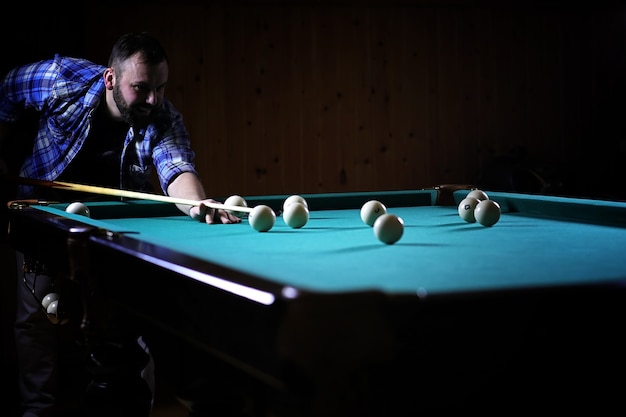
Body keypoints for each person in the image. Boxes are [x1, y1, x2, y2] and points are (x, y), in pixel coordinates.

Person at [0, 32, 242, 417]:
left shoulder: (161, 116)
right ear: (111, 78)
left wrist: (198, 205)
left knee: (133, 320)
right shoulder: (61, 79)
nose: (153, 100)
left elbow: (176, 166)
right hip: (43, 214)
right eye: (141, 88)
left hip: (117, 225)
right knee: (35, 321)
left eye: (160, 88)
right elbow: (6, 91)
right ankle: (37, 412)